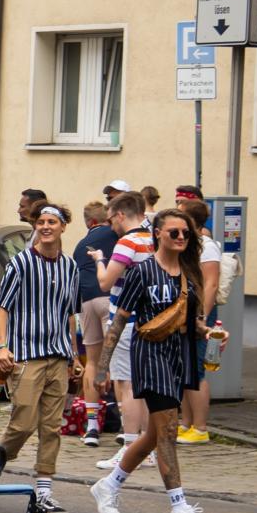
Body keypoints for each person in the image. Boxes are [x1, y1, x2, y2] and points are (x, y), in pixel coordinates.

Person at [88, 209, 213, 513]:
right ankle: (178, 507)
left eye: (186, 233)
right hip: (150, 356)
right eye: (174, 232)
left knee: (155, 434)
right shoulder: (142, 272)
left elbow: (191, 322)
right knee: (168, 430)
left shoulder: (189, 273)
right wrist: (102, 369)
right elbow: (119, 320)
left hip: (178, 357)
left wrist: (208, 332)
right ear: (158, 234)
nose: (181, 237)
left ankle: (108, 485)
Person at [0, 206, 79, 513]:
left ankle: (44, 493)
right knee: (24, 423)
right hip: (26, 355)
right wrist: (2, 347)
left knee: (52, 428)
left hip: (58, 355)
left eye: (51, 222)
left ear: (63, 227)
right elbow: (2, 307)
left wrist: (74, 354)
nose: (45, 227)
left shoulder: (70, 266)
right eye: (40, 222)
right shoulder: (20, 263)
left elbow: (70, 312)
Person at [91, 191, 154, 470]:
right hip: (148, 320)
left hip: (125, 321)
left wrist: (99, 260)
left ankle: (130, 448)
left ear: (120, 215)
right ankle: (147, 448)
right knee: (145, 387)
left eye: (110, 220)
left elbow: (105, 282)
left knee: (126, 384)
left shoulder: (128, 242)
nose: (110, 226)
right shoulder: (152, 239)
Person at [173, 198, 222, 446]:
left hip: (199, 313)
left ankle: (200, 427)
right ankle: (186, 423)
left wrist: (202, 315)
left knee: (196, 369)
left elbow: (211, 284)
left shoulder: (207, 247)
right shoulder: (192, 245)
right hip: (186, 310)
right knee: (184, 369)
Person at [73, 200, 118, 446]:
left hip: (86, 302)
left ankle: (91, 426)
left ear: (89, 222)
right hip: (110, 299)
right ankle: (125, 424)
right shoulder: (116, 234)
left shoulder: (80, 245)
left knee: (92, 362)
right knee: (118, 362)